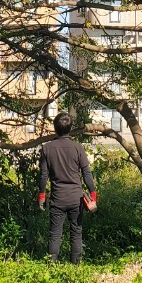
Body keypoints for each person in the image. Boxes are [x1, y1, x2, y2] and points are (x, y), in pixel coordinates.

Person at [38, 111, 97, 264]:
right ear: (70, 128)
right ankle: (75, 266)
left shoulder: (47, 148)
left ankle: (51, 266)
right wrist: (93, 194)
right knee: (76, 232)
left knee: (55, 234)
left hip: (57, 199)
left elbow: (43, 175)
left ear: (55, 128)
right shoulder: (78, 148)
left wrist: (41, 196)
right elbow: (86, 173)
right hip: (76, 199)